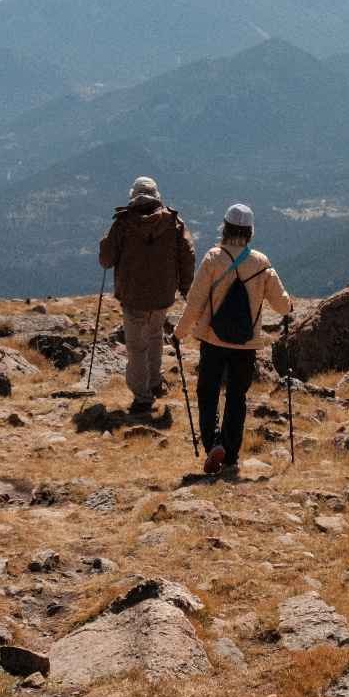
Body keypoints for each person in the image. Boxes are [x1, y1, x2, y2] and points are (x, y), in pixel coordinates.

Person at [175, 203, 293, 476]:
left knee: (207, 393)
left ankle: (213, 442)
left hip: (213, 340)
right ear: (250, 232)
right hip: (246, 344)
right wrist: (290, 307)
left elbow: (194, 303)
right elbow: (281, 304)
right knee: (237, 397)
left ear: (225, 228)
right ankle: (231, 456)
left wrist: (179, 333)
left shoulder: (213, 258)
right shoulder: (261, 263)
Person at [97, 176, 196, 414]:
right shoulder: (173, 222)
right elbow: (188, 255)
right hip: (162, 295)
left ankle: (142, 397)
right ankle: (154, 382)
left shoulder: (123, 223)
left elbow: (106, 260)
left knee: (136, 345)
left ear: (134, 196)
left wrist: (105, 243)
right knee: (154, 337)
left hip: (132, 296)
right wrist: (185, 287)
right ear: (156, 195)